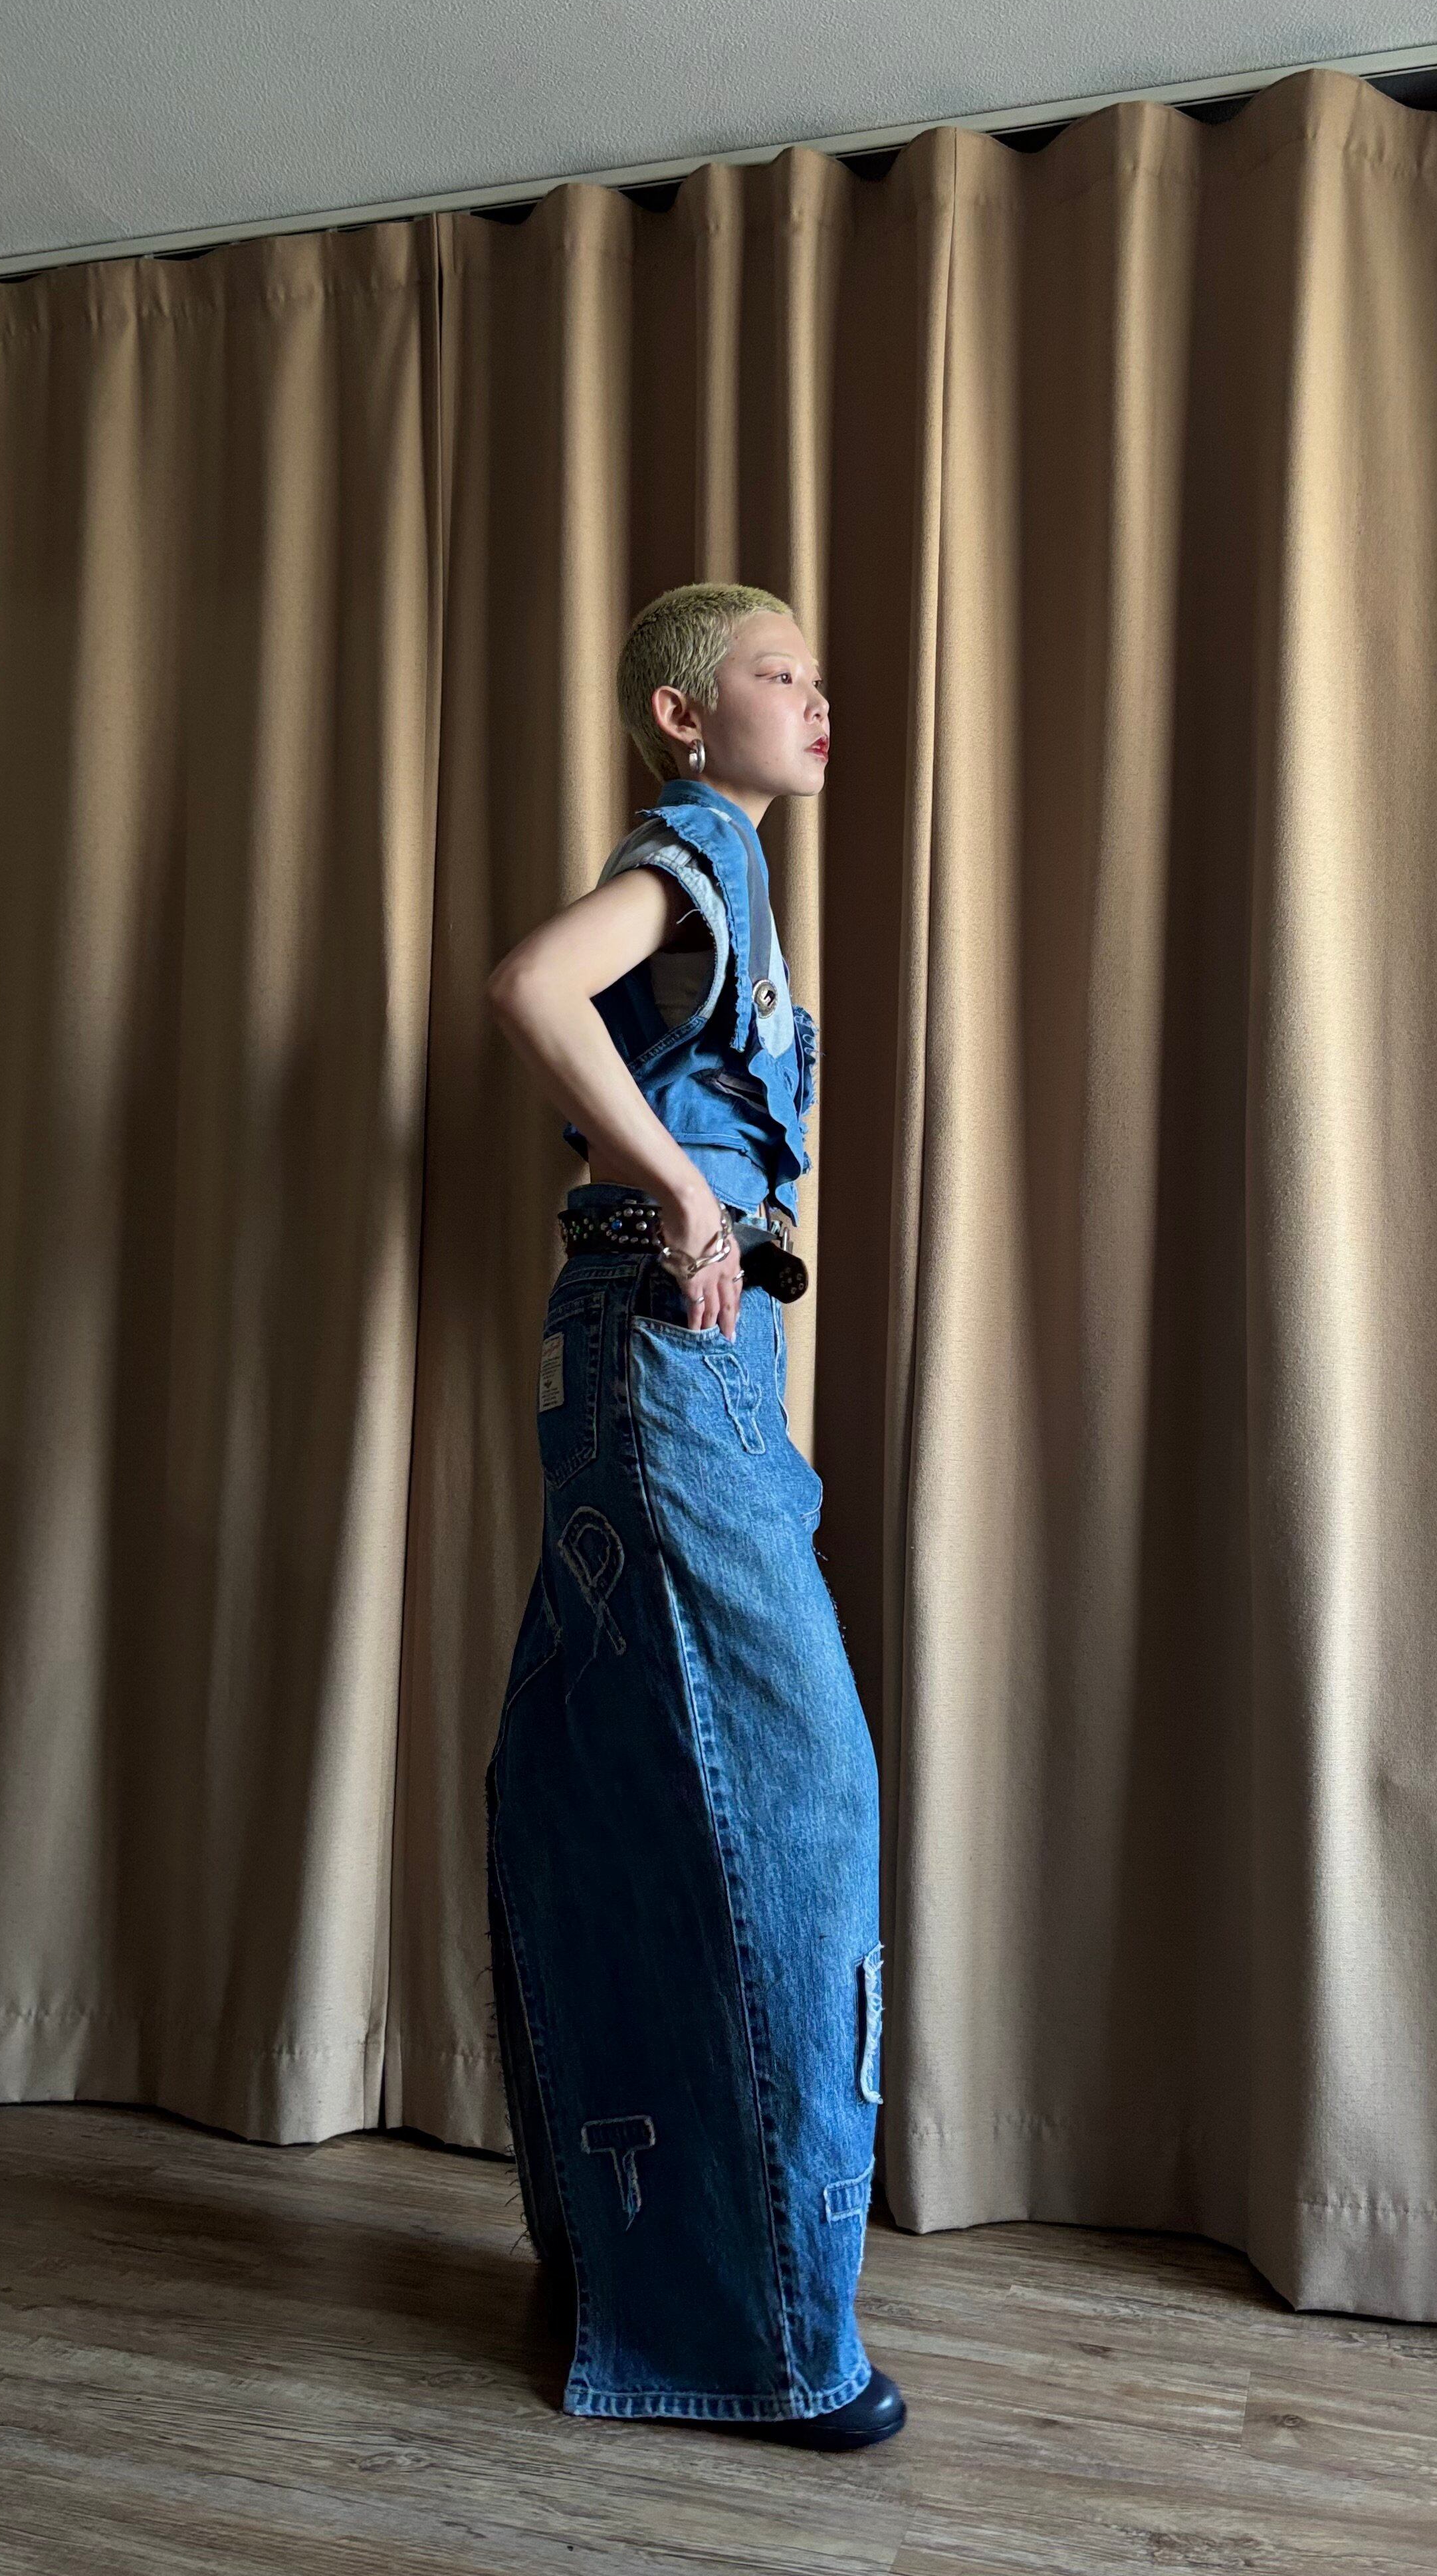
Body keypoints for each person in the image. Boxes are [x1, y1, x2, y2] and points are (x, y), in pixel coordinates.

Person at [481, 582, 905, 2447]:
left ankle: (617, 2272)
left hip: (655, 1357)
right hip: (666, 1349)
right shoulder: (695, 852)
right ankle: (772, 2347)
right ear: (680, 714)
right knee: (796, 1800)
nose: (817, 700)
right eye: (777, 673)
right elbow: (529, 987)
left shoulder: (730, 870)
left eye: (816, 677)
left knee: (606, 1787)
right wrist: (680, 1190)